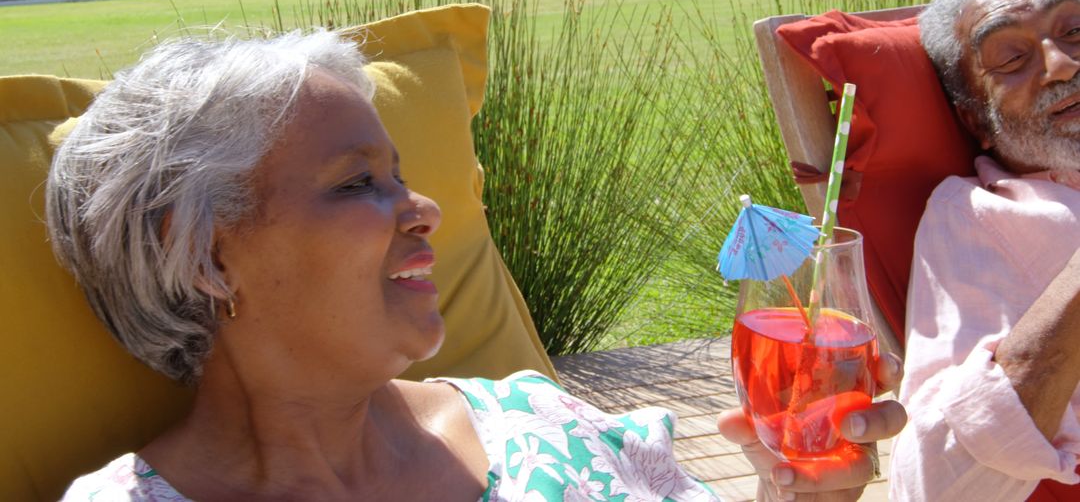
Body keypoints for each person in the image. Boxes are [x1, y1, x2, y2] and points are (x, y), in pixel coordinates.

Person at [48, 30, 904, 501]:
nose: (424, 210)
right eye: (356, 185)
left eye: (403, 176)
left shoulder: (545, 426)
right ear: (201, 254)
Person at [891, 0, 1080, 502]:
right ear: (977, 119)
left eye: (1075, 30)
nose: (1063, 64)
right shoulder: (976, 218)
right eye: (1011, 59)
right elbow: (938, 484)